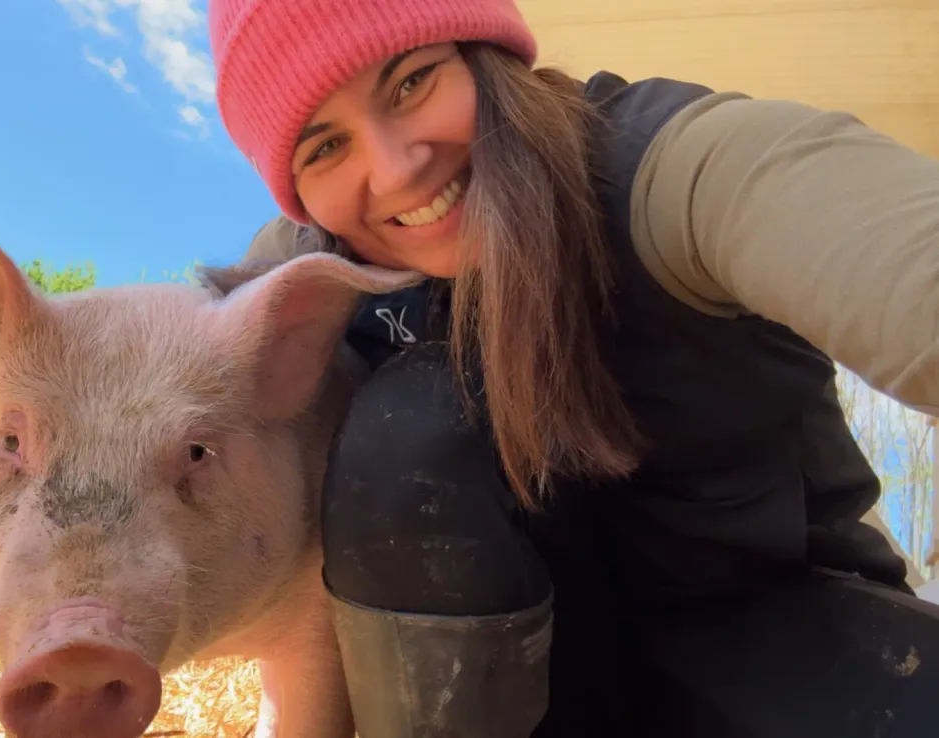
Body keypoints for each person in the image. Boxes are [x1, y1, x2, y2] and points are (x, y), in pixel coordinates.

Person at [204, 0, 939, 736]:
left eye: (411, 84)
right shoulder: (311, 282)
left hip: (786, 640)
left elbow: (874, 240)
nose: (395, 171)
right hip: (503, 688)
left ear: (484, 54)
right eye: (325, 148)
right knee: (408, 429)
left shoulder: (660, 168)